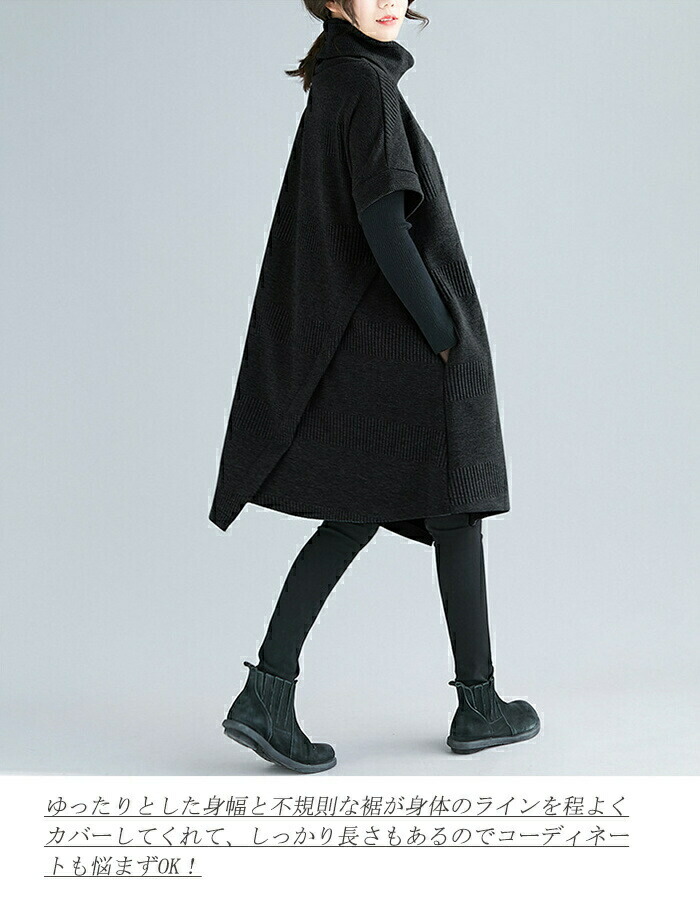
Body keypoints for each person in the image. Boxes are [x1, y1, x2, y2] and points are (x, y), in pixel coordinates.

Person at [214, 0, 540, 773]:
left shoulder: (339, 77)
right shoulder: (365, 84)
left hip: (365, 340)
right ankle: (477, 703)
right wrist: (444, 333)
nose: (389, 0)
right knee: (453, 504)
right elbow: (383, 222)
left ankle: (270, 692)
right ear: (333, 2)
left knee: (365, 514)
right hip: (402, 342)